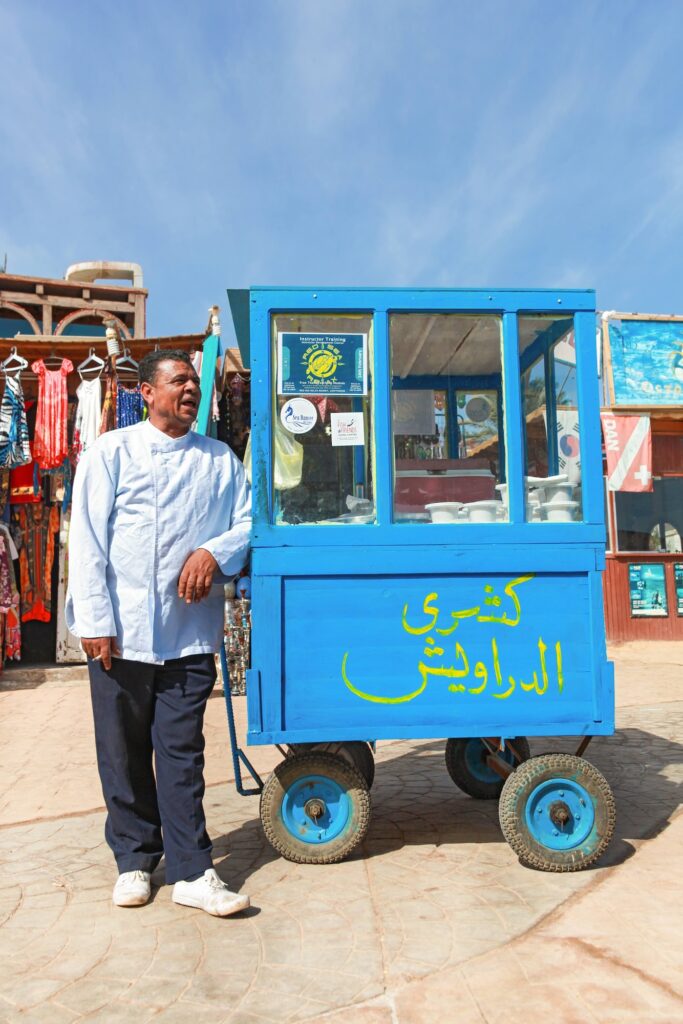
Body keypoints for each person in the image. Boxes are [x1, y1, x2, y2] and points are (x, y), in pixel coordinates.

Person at [66, 349, 251, 917]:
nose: (190, 388)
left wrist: (212, 552)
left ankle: (193, 870)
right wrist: (95, 622)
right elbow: (88, 541)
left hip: (188, 636)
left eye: (194, 382)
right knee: (121, 752)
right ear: (146, 392)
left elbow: (247, 523)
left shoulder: (220, 460)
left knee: (181, 752)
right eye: (178, 380)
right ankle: (134, 861)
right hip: (119, 634)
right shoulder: (109, 453)